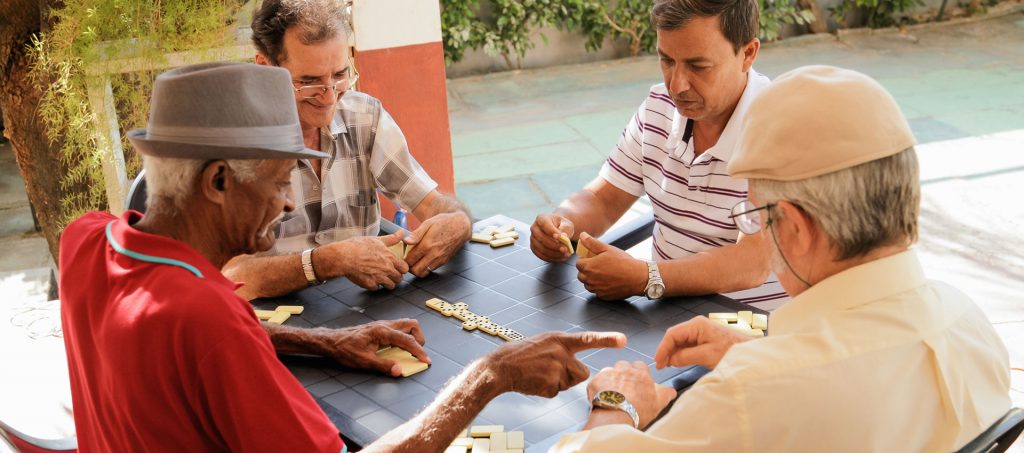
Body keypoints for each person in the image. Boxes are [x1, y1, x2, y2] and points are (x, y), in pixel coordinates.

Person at [59, 62, 623, 452]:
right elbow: (212, 341)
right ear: (218, 180)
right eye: (280, 182)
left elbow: (187, 356)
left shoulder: (86, 240)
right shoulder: (207, 320)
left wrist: (321, 341)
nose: (285, 203)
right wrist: (489, 375)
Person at [548, 65, 1012, 452]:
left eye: (756, 216)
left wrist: (615, 404)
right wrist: (755, 354)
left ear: (794, 227)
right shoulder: (968, 323)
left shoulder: (755, 393)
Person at [530, 0, 788, 309]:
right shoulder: (659, 106)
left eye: (698, 66)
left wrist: (649, 278)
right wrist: (563, 224)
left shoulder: (780, 128)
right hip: (668, 313)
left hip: (754, 329)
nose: (677, 85)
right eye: (666, 60)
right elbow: (604, 198)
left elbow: (753, 261)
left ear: (748, 54)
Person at [223, 0, 472, 300]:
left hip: (360, 308)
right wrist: (328, 261)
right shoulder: (234, 147)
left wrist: (457, 221)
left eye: (340, 75)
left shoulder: (363, 117)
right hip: (272, 323)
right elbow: (230, 275)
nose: (329, 98)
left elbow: (433, 204)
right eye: (309, 82)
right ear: (266, 69)